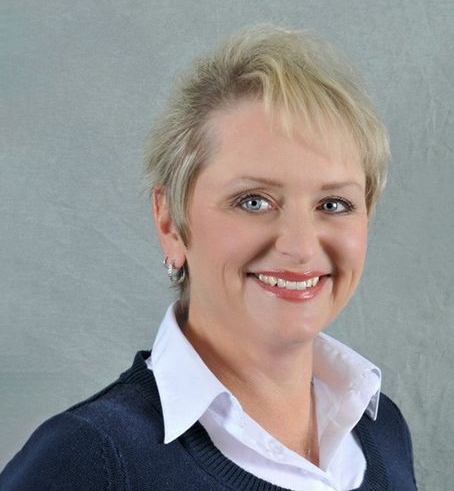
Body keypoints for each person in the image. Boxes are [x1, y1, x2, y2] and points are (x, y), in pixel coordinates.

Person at [0, 25, 417, 490]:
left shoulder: (383, 432)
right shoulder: (88, 462)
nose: (300, 247)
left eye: (333, 204)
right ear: (170, 222)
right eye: (254, 201)